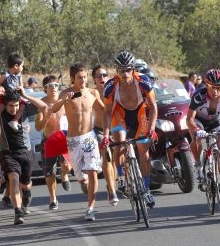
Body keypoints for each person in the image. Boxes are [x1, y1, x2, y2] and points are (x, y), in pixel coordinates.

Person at [102, 51, 158, 208]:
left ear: (133, 69)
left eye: (128, 70)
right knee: (119, 143)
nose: (125, 74)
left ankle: (146, 189)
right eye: (121, 70)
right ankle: (120, 176)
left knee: (144, 153)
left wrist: (152, 128)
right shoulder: (110, 86)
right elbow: (107, 112)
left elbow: (153, 106)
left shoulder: (144, 81)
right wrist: (106, 135)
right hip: (120, 114)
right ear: (116, 70)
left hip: (139, 114)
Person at [52, 62, 103, 221]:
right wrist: (64, 101)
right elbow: (54, 109)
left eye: (85, 77)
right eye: (79, 78)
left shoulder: (92, 93)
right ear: (73, 79)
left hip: (89, 137)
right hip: (73, 141)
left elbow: (104, 110)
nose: (83, 80)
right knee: (81, 177)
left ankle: (90, 208)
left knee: (93, 171)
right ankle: (82, 181)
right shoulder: (66, 93)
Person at [0, 88, 48, 225]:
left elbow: (44, 106)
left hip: (26, 152)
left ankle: (26, 193)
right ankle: (18, 212)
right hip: (8, 153)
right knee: (13, 179)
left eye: (16, 105)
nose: (14, 108)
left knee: (26, 184)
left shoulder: (24, 110)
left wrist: (25, 95)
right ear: (5, 105)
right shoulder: (0, 113)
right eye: (11, 106)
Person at [186, 69, 220, 200]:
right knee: (196, 139)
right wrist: (196, 130)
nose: (215, 91)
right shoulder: (199, 96)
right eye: (212, 87)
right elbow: (189, 119)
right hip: (199, 120)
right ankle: (198, 165)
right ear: (207, 85)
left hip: (215, 121)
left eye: (219, 88)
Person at [35, 75, 72, 210]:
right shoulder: (41, 104)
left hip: (63, 140)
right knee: (49, 173)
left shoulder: (64, 101)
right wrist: (47, 116)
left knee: (67, 167)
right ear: (45, 88)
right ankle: (53, 199)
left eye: (56, 85)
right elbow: (38, 127)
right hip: (48, 141)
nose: (54, 88)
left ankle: (64, 174)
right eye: (50, 86)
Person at [91, 65, 119, 206]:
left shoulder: (115, 91)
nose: (102, 78)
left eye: (104, 75)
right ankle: (113, 191)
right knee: (107, 154)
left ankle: (111, 184)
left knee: (116, 160)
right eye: (99, 76)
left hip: (116, 129)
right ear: (94, 79)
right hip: (100, 131)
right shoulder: (91, 93)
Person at [0, 53, 26, 132]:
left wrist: (21, 87)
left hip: (15, 96)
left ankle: (15, 121)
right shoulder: (5, 75)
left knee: (23, 105)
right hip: (5, 96)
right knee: (1, 106)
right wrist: (0, 87)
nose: (22, 68)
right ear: (16, 66)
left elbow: (21, 84)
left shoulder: (19, 75)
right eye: (22, 66)